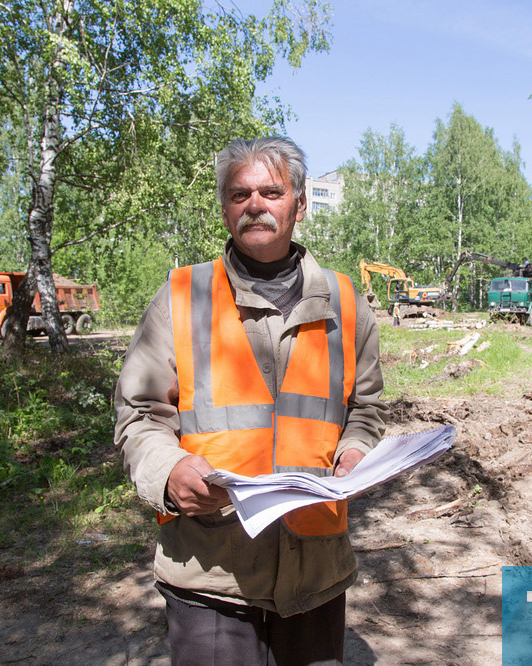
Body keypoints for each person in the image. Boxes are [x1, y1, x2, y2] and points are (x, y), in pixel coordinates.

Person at [115, 136, 388, 665]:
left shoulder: (347, 302)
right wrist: (169, 472)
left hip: (316, 566)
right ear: (224, 209)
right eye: (240, 195)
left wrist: (355, 453)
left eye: (271, 191)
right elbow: (139, 413)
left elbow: (366, 409)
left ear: (300, 204)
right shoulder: (181, 297)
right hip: (210, 568)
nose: (256, 205)